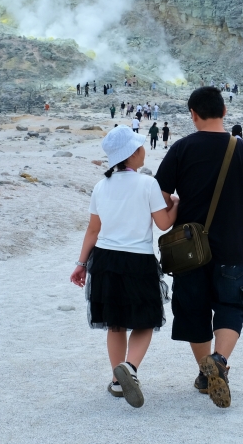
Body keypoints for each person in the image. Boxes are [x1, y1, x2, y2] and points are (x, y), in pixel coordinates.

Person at [155, 86, 243, 409]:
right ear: (224, 111)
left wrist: (177, 207)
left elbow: (161, 197)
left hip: (190, 251)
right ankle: (219, 359)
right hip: (232, 247)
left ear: (192, 114)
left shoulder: (182, 148)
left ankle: (206, 374)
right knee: (232, 306)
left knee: (194, 312)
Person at [70, 126, 179, 408]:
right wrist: (177, 204)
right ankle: (130, 368)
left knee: (115, 323)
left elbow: (93, 230)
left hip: (105, 259)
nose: (144, 150)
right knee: (147, 319)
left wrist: (81, 264)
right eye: (140, 147)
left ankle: (118, 382)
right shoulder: (147, 183)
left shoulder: (101, 186)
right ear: (133, 154)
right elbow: (164, 224)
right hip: (137, 260)